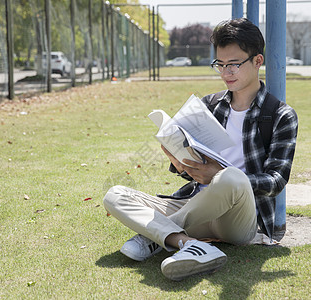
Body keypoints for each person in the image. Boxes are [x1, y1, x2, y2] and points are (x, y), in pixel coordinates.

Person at [103, 18, 298, 281]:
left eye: (234, 64)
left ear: (257, 61)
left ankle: (156, 236)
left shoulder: (280, 115)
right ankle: (188, 244)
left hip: (238, 218)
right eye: (220, 64)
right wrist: (181, 162)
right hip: (196, 204)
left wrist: (216, 175)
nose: (226, 72)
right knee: (115, 195)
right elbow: (193, 170)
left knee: (230, 177)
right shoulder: (210, 105)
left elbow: (276, 181)